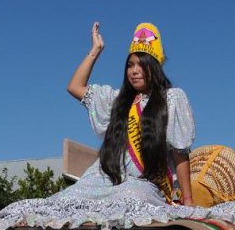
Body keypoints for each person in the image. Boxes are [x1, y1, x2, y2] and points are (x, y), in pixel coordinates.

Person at [64, 21, 196, 206]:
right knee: (69, 198)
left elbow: (180, 153)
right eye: (130, 65)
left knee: (130, 198)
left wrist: (188, 199)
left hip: (144, 185)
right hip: (107, 180)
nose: (134, 71)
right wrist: (95, 50)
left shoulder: (171, 99)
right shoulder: (117, 100)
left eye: (141, 65)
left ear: (154, 67)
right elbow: (75, 86)